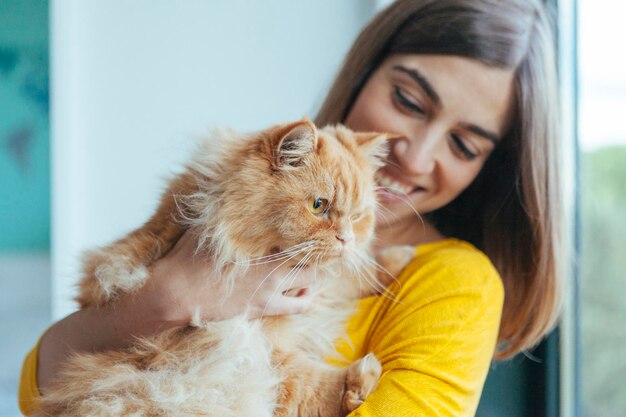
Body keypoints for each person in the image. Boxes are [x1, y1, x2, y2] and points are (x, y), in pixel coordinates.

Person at [19, 0, 563, 415]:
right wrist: (170, 295)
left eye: (464, 146)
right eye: (409, 101)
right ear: (365, 68)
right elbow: (39, 380)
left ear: (490, 168)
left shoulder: (457, 284)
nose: (414, 156)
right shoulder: (257, 183)